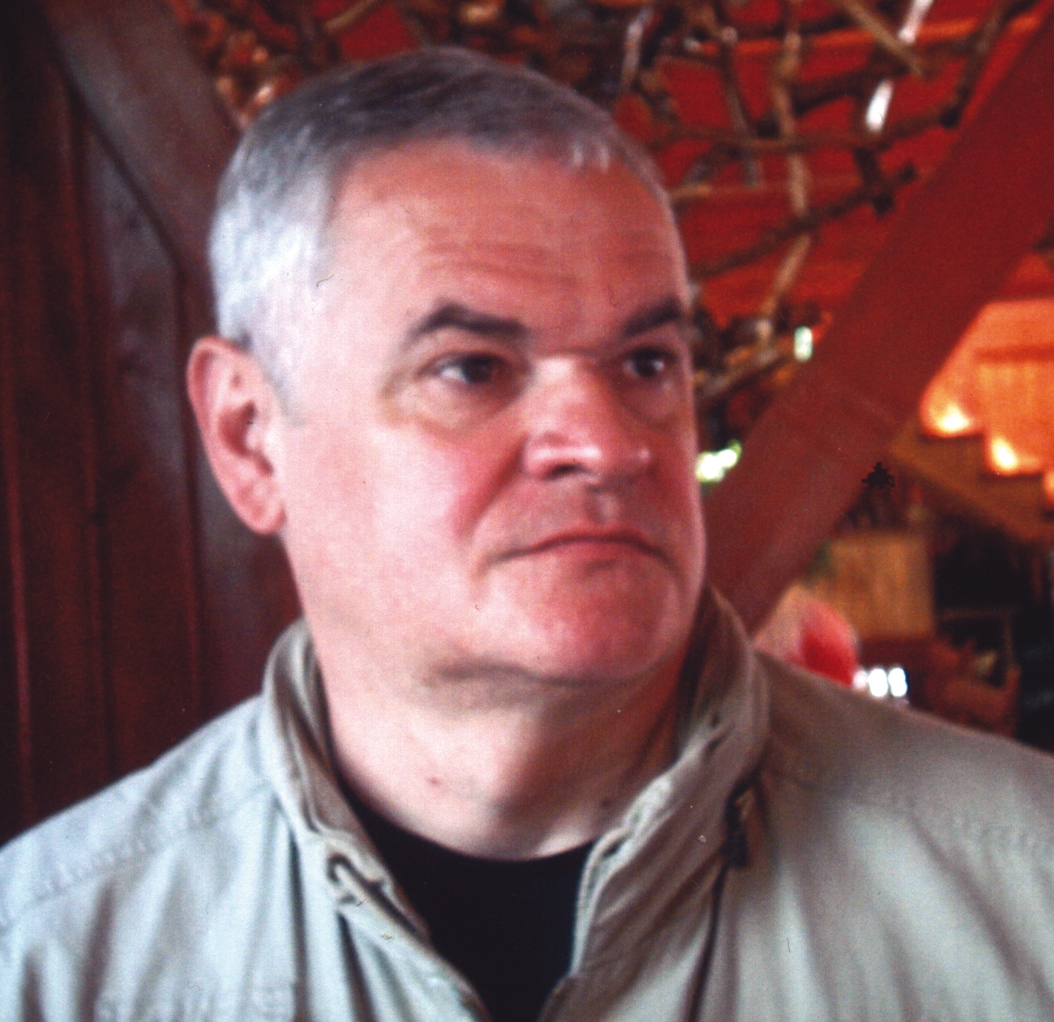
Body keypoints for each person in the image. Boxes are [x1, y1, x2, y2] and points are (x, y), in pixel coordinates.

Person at [1, 47, 1053, 1022]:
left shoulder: (1023, 891)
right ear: (249, 439)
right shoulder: (49, 961)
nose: (610, 444)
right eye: (472, 369)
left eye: (646, 363)